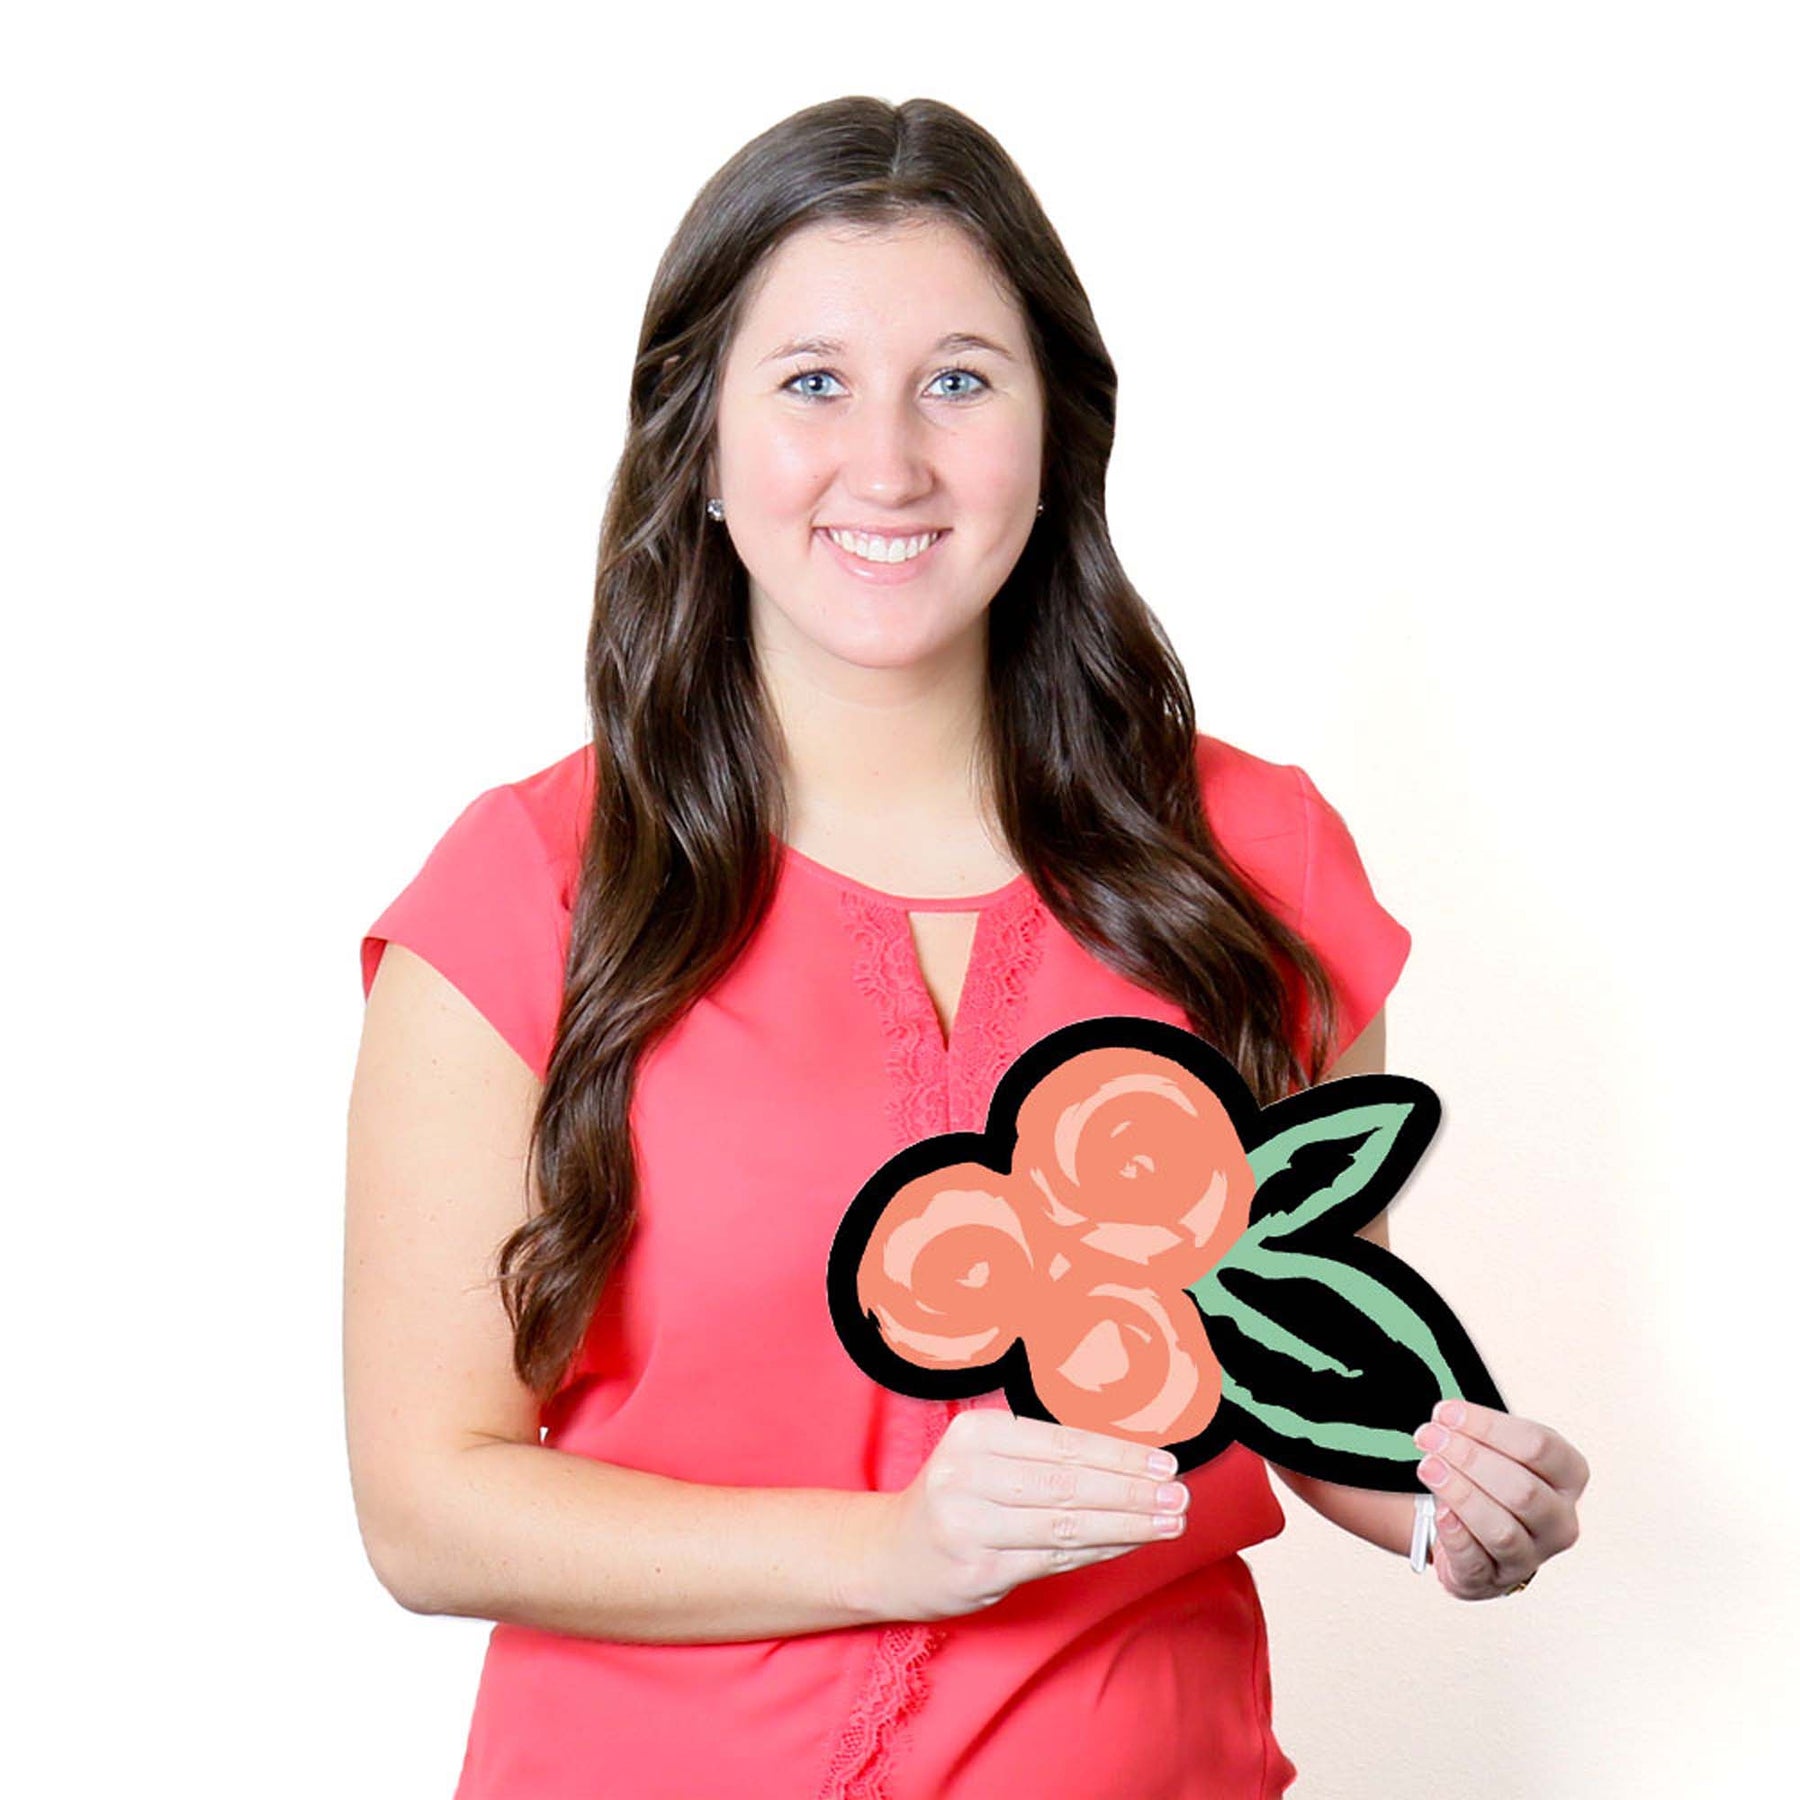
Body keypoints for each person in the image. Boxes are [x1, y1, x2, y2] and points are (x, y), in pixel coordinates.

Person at [344, 95, 1588, 1799]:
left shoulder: (1257, 867)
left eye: (959, 380)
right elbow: (427, 1505)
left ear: (1057, 433)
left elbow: (1296, 1368)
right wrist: (891, 1550)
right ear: (697, 443)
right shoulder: (528, 891)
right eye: (811, 382)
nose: (889, 465)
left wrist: (1448, 1496)